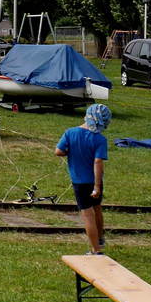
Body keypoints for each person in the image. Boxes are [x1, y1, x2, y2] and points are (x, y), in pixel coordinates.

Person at [57, 103, 111, 255]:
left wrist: (70, 152)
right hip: (96, 181)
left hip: (80, 183)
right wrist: (97, 186)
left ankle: (95, 250)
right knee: (97, 209)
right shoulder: (100, 139)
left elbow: (58, 151)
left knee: (87, 215)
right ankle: (100, 238)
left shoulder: (70, 133)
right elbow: (98, 162)